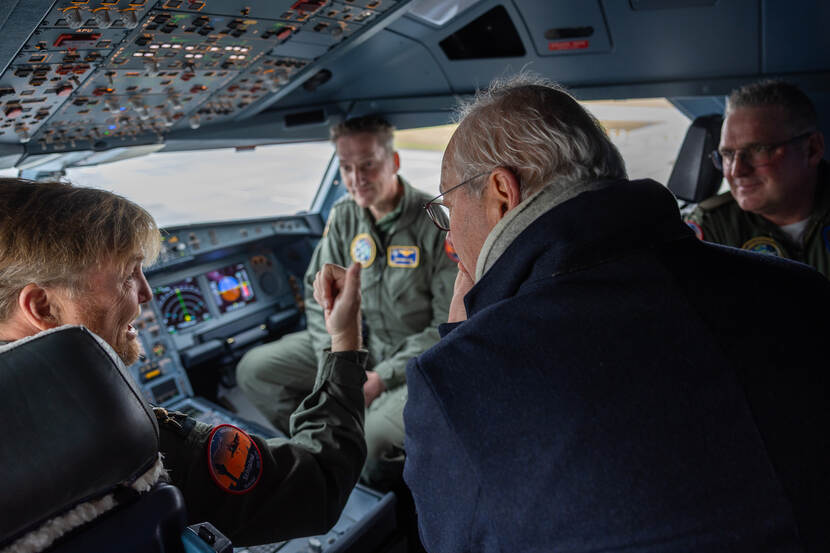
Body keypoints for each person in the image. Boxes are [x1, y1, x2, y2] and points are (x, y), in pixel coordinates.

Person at [314, 74, 830, 552]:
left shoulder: (462, 376)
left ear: (501, 193)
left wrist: (459, 336)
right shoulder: (805, 291)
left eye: (449, 208)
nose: (449, 233)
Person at [0, 179, 367, 547]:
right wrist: (345, 338)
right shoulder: (130, 444)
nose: (147, 292)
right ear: (43, 307)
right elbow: (318, 483)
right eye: (128, 275)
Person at [236, 115, 456, 489]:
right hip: (351, 345)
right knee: (255, 371)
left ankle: (373, 491)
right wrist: (335, 361)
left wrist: (381, 378)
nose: (356, 178)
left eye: (368, 164)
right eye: (347, 167)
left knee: (373, 446)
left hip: (410, 360)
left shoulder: (433, 222)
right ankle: (325, 452)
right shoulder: (344, 217)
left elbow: (446, 326)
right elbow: (316, 292)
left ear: (394, 162)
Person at [685, 80, 829, 276]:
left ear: (812, 149)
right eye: (727, 154)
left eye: (758, 150)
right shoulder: (712, 227)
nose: (737, 171)